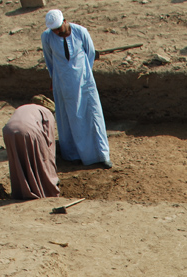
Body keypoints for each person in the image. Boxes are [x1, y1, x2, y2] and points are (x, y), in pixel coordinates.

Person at [41, 9, 112, 168]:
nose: (58, 32)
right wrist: (55, 78)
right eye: (54, 30)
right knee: (68, 118)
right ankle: (73, 155)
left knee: (92, 116)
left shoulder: (81, 32)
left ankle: (101, 154)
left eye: (59, 28)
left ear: (65, 21)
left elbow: (90, 53)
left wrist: (84, 73)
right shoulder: (47, 37)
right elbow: (49, 60)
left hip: (84, 81)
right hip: (62, 84)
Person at [2, 104, 60, 200]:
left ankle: (22, 191)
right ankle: (47, 191)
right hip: (29, 131)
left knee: (18, 160)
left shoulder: (24, 108)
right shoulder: (47, 113)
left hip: (8, 131)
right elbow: (49, 143)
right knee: (41, 159)